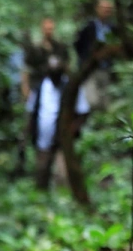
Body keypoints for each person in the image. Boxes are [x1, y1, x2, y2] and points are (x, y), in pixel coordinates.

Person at [25, 55, 90, 189]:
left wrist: (71, 130)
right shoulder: (40, 87)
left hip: (63, 140)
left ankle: (63, 196)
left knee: (62, 175)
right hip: (43, 138)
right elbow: (31, 111)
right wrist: (28, 133)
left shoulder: (71, 86)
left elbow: (83, 112)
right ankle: (41, 194)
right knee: (42, 170)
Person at [74, 0, 114, 110]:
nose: (106, 11)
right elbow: (78, 45)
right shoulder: (88, 27)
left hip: (106, 69)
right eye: (104, 8)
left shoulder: (113, 28)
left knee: (106, 101)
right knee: (92, 100)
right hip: (90, 70)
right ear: (97, 9)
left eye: (108, 9)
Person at [23, 18, 70, 102]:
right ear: (42, 29)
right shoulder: (35, 48)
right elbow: (26, 69)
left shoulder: (60, 47)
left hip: (57, 83)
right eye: (46, 29)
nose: (48, 32)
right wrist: (25, 88)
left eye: (50, 29)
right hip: (38, 83)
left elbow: (67, 66)